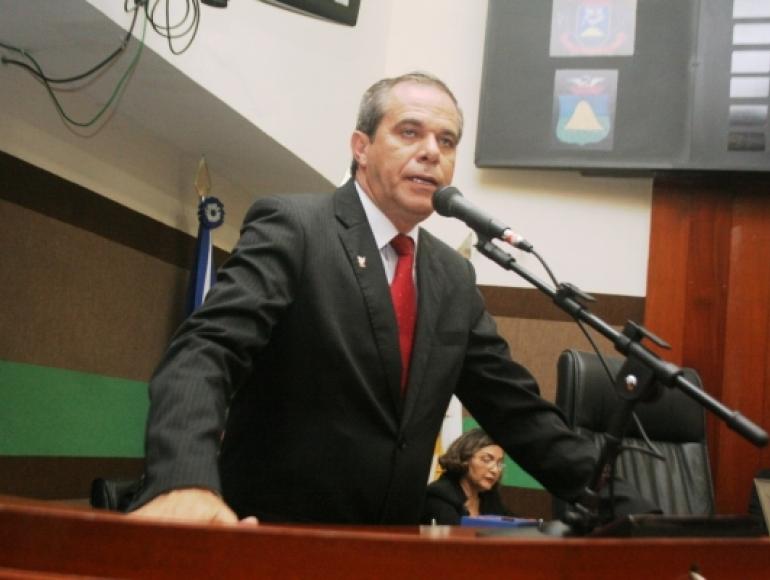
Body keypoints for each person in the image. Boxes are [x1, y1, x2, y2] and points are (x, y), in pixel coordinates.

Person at [128, 71, 649, 526]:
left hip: (390, 550)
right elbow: (205, 352)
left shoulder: (453, 276)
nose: (432, 151)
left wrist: (638, 514)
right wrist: (182, 480)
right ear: (361, 147)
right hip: (274, 540)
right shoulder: (296, 228)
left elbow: (520, 413)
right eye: (409, 132)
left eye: (447, 141)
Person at [422, 428, 512, 525]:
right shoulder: (440, 495)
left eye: (499, 463)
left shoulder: (490, 496)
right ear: (464, 458)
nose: (495, 470)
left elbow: (513, 525)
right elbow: (455, 533)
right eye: (486, 459)